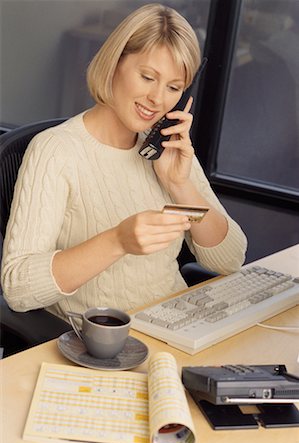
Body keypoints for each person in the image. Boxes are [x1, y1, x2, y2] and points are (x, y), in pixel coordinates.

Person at [1, 3, 247, 322]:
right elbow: (18, 289)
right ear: (115, 63)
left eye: (174, 87)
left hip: (175, 329)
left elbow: (229, 260)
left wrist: (180, 185)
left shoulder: (168, 149)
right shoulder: (56, 150)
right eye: (147, 77)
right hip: (102, 345)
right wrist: (118, 240)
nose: (158, 99)